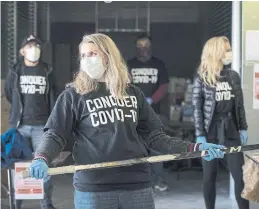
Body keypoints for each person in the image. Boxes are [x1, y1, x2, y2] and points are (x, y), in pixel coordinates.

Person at [27, 33, 225, 209]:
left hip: (136, 186)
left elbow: (157, 137)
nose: (87, 60)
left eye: (93, 54)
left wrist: (195, 148)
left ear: (108, 56)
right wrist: (42, 157)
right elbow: (55, 133)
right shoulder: (73, 96)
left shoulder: (133, 94)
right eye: (84, 55)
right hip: (93, 189)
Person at [192, 36, 249, 209]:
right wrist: (200, 135)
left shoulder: (233, 76)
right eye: (227, 49)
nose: (229, 53)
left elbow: (239, 105)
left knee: (239, 175)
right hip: (211, 131)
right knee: (209, 175)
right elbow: (197, 109)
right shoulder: (202, 77)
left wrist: (243, 128)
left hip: (231, 128)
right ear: (216, 52)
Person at [4, 35, 57, 209]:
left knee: (44, 164)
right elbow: (10, 94)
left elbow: (53, 96)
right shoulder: (15, 71)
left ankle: (46, 203)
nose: (34, 49)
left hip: (42, 126)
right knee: (18, 166)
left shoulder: (47, 70)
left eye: (36, 46)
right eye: (29, 46)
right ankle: (16, 203)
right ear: (22, 51)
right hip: (20, 126)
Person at [127, 34, 170, 191]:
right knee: (135, 147)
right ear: (136, 47)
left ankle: (159, 180)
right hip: (133, 113)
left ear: (151, 46)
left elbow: (164, 86)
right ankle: (141, 180)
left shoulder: (159, 64)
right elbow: (124, 85)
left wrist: (151, 100)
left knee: (156, 146)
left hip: (155, 113)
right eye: (140, 45)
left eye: (146, 45)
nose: (143, 48)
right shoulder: (129, 64)